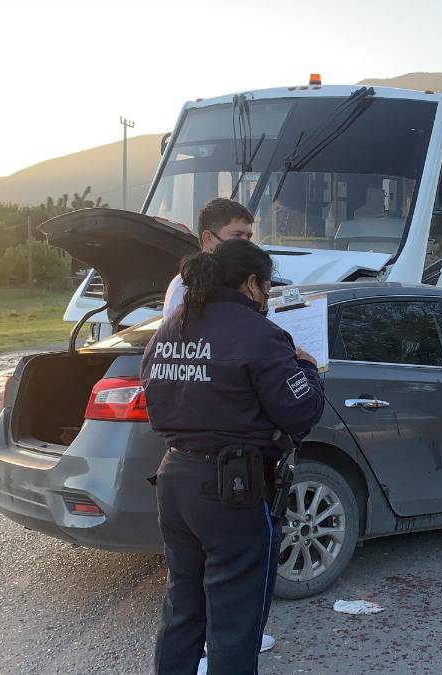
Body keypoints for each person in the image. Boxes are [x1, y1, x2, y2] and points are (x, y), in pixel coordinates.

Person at [142, 239, 325, 675]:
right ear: (250, 284)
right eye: (265, 287)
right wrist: (309, 371)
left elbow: (152, 392)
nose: (266, 297)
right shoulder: (260, 334)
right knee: (235, 622)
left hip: (175, 478)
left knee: (183, 609)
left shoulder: (171, 328)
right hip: (233, 490)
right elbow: (300, 411)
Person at [162, 198, 256, 321]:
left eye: (248, 236)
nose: (245, 243)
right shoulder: (184, 286)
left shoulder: (244, 280)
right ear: (208, 238)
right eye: (237, 235)